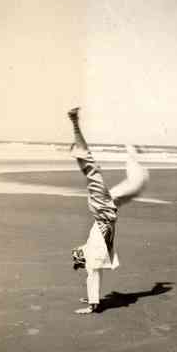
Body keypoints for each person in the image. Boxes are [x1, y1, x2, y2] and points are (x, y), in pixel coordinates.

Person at [68, 107, 149, 314]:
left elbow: (93, 270)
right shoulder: (94, 246)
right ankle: (132, 157)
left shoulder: (93, 247)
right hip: (104, 213)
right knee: (127, 184)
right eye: (79, 259)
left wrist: (92, 304)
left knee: (92, 168)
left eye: (77, 259)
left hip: (104, 213)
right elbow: (93, 268)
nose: (77, 258)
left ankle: (75, 122)